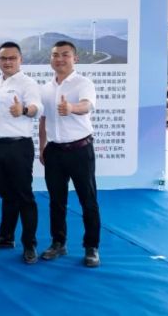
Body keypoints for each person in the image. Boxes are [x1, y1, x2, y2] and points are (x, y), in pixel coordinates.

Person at [38, 40, 101, 268]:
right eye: (55, 55)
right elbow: (43, 119)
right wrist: (42, 147)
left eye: (65, 55)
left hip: (80, 150)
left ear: (75, 58)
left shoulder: (83, 83)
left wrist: (71, 108)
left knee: (88, 200)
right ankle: (58, 243)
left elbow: (86, 105)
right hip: (54, 151)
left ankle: (91, 247)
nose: (60, 59)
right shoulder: (46, 88)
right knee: (56, 201)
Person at [0, 42, 43, 264]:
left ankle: (30, 244)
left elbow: (37, 108)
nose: (7, 62)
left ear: (20, 60)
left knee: (24, 197)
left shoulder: (28, 83)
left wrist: (23, 110)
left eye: (12, 58)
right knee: (7, 195)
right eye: (3, 58)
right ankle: (6, 237)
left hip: (18, 147)